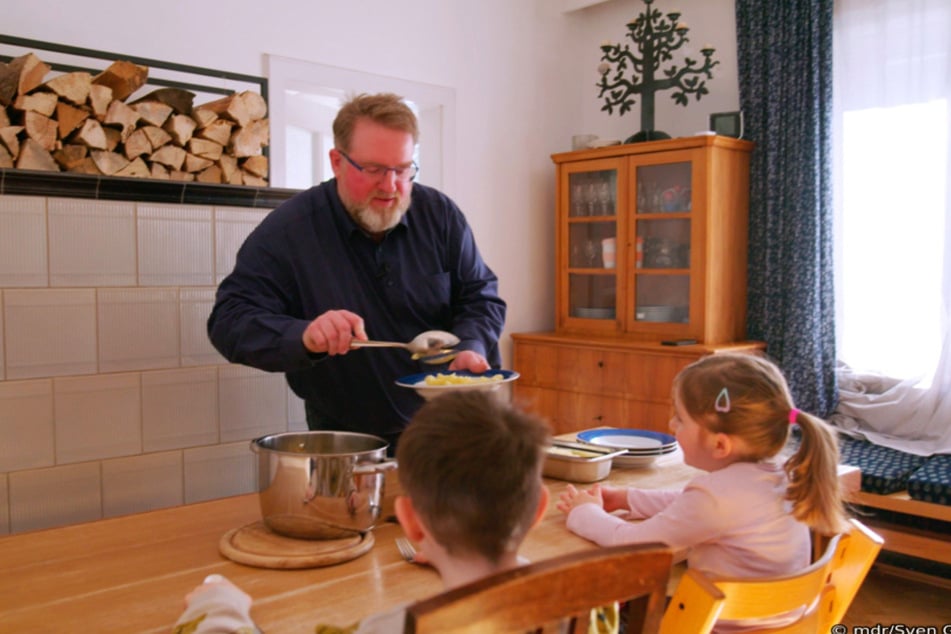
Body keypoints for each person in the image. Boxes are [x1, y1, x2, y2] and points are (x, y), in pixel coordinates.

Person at [207, 93, 506, 450]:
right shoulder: (289, 231)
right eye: (374, 169)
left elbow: (481, 296)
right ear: (337, 161)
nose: (390, 186)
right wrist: (305, 335)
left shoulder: (439, 215)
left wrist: (471, 345)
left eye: (402, 169)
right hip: (348, 435)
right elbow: (228, 321)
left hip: (455, 421)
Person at [172, 390, 552, 633]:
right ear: (539, 508)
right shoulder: (593, 599)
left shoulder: (397, 628)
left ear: (410, 522)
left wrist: (219, 606)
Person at [558, 352, 849, 583]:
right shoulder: (782, 474)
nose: (671, 425)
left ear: (720, 445)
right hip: (783, 623)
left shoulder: (716, 498)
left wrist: (584, 511)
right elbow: (689, 506)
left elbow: (632, 544)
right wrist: (628, 499)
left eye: (681, 419)